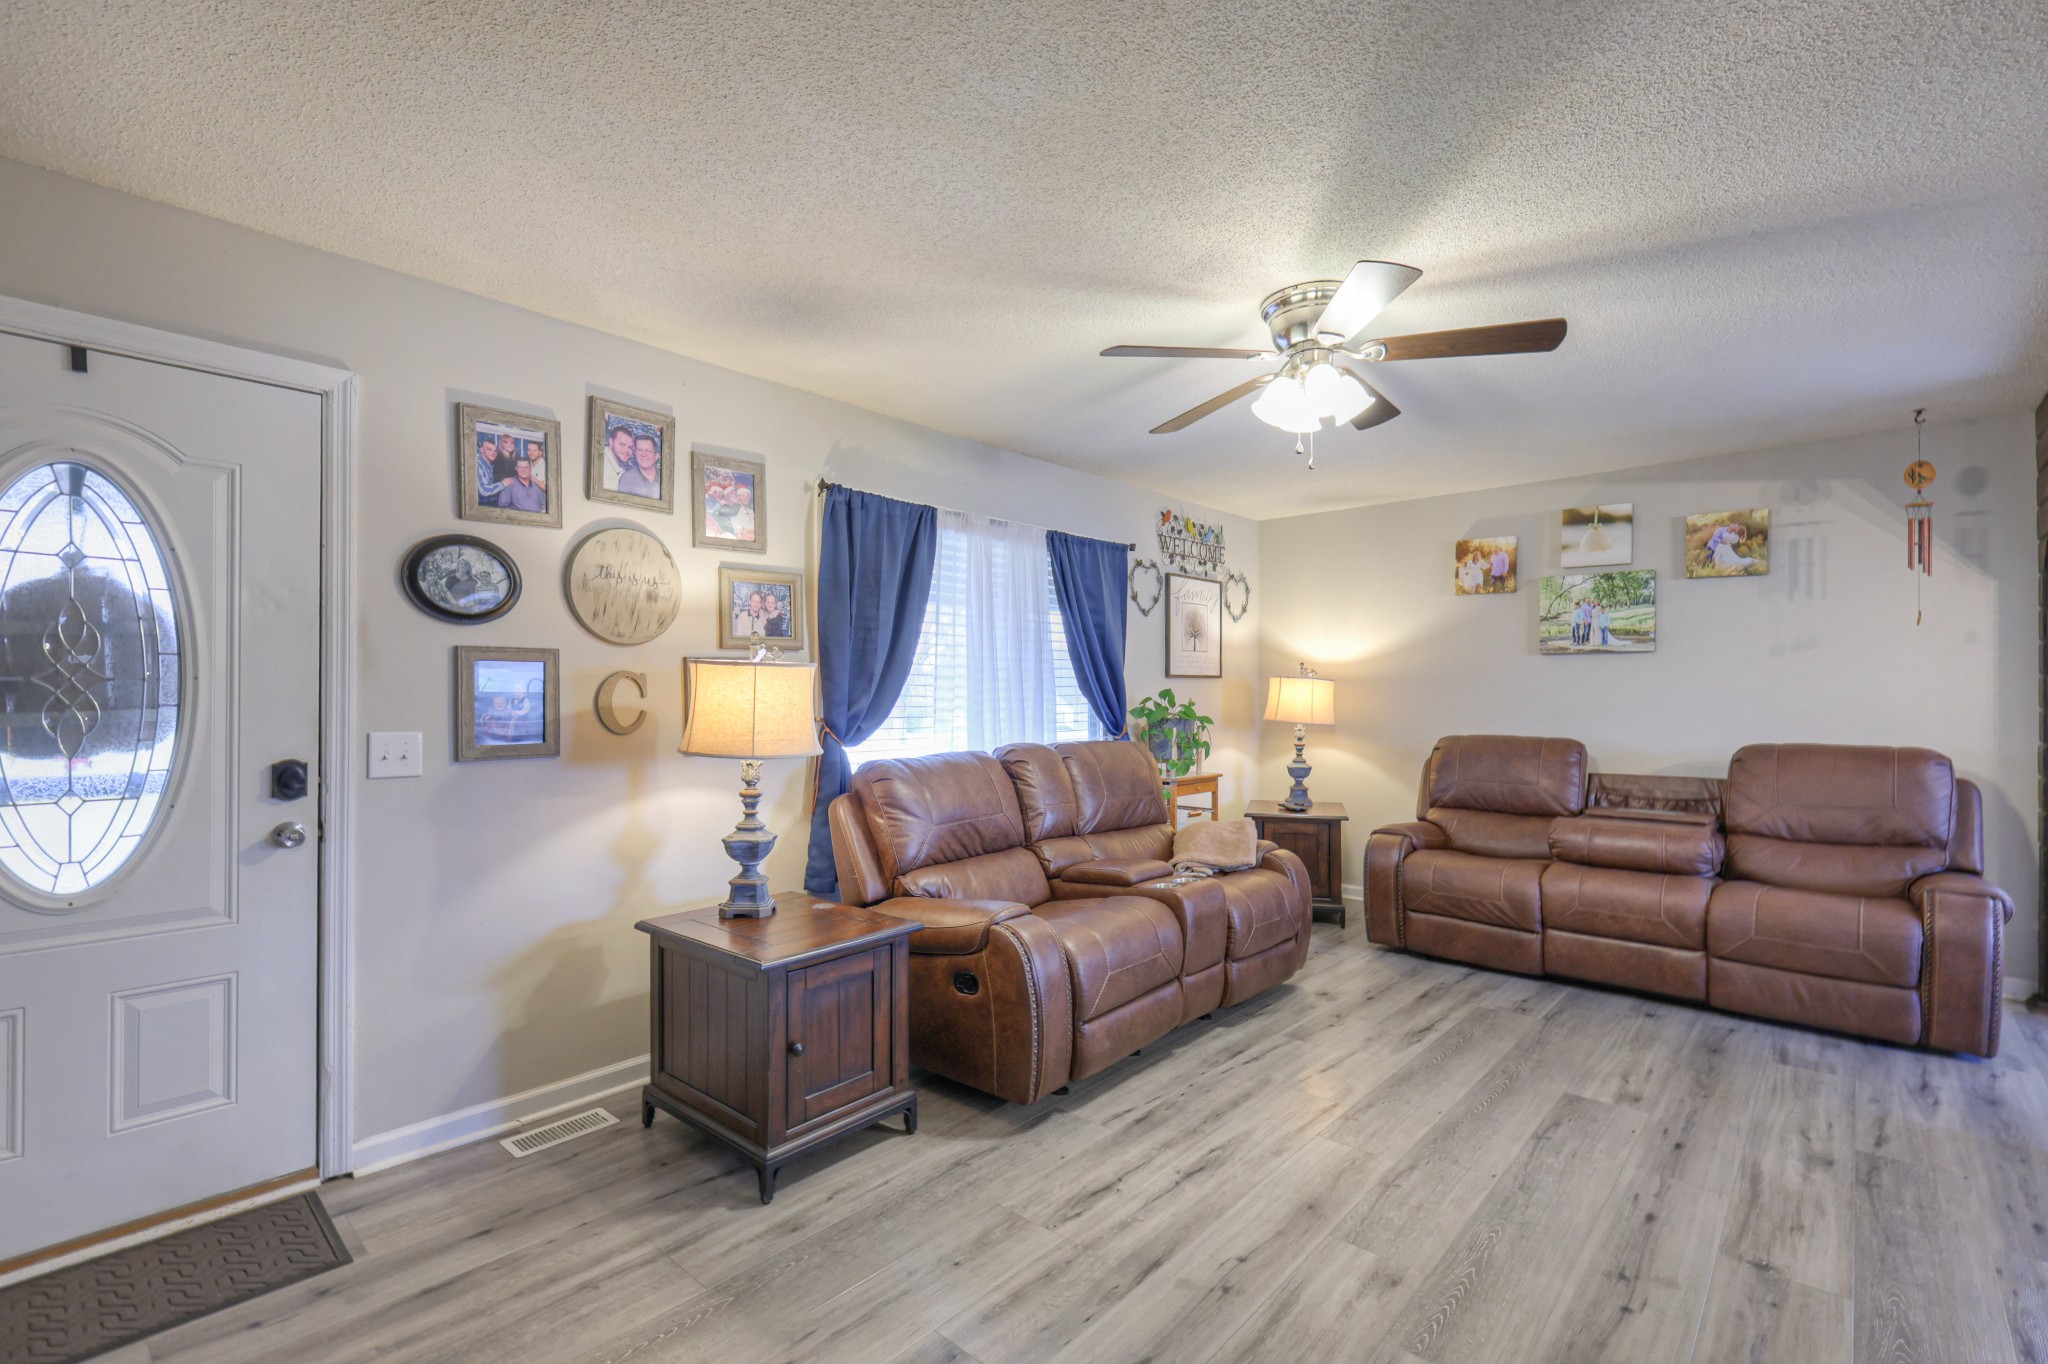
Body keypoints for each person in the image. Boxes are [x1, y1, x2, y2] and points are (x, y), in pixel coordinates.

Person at [617, 432, 661, 499]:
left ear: (656, 455)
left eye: (648, 451)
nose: (643, 454)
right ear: (635, 453)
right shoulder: (626, 479)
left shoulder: (665, 477)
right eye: (639, 450)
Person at [604, 422, 637, 491]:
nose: (627, 450)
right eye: (622, 444)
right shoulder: (603, 464)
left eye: (630, 447)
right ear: (611, 442)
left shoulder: (619, 463)